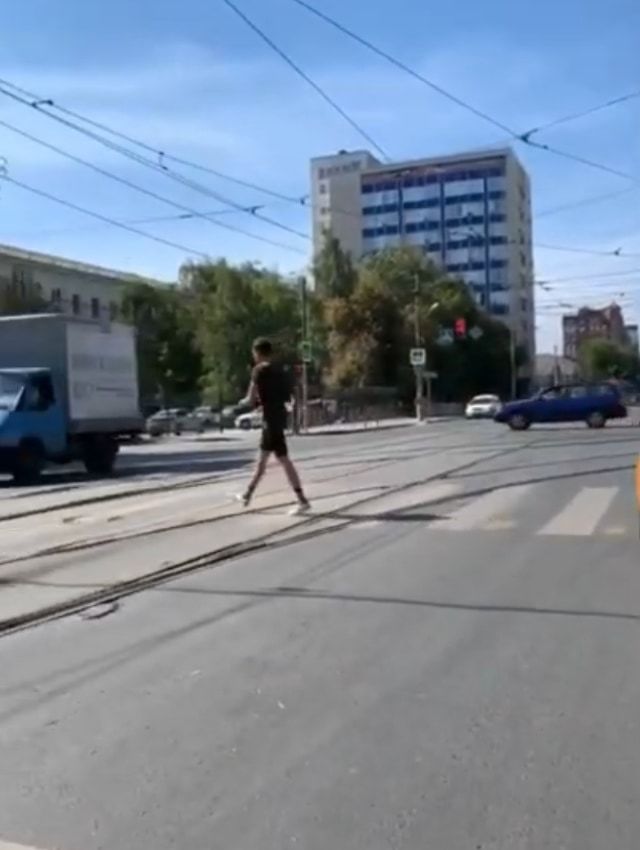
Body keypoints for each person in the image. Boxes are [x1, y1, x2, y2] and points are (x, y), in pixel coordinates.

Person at [237, 338, 310, 515]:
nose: (253, 356)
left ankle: (302, 500)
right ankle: (248, 494)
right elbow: (287, 394)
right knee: (270, 461)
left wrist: (242, 402)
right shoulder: (279, 370)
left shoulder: (258, 370)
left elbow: (250, 397)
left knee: (276, 461)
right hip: (279, 417)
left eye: (254, 353)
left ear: (258, 353)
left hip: (270, 420)